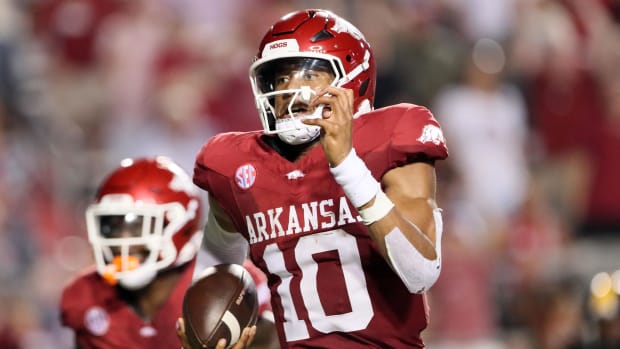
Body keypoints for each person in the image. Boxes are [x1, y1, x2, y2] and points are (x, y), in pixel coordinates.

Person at [179, 8, 449, 349]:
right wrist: (207, 325)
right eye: (280, 79)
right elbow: (217, 266)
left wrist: (347, 166)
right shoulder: (234, 166)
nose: (291, 90)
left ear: (353, 79)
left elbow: (421, 271)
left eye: (308, 76)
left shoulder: (391, 137)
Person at [60, 156, 276, 348]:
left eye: (136, 226)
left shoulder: (223, 283)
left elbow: (273, 339)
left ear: (179, 224)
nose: (121, 242)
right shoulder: (87, 295)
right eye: (114, 226)